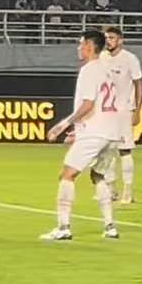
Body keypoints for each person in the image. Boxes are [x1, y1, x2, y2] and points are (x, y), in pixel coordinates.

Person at [41, 30, 121, 241]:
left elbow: (88, 104)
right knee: (98, 175)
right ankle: (110, 226)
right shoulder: (107, 70)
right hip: (112, 132)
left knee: (67, 175)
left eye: (80, 44)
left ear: (88, 46)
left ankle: (63, 226)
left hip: (96, 132)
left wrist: (63, 124)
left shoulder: (89, 70)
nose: (78, 48)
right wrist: (79, 131)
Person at [101, 26, 142, 204]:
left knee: (124, 150)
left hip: (124, 109)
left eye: (111, 37)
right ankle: (111, 189)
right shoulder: (102, 57)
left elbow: (139, 84)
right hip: (105, 111)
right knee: (106, 150)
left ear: (120, 40)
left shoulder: (129, 59)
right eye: (106, 38)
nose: (108, 41)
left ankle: (128, 189)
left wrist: (138, 110)